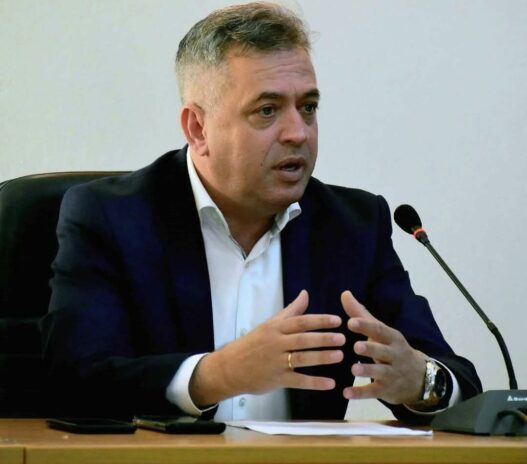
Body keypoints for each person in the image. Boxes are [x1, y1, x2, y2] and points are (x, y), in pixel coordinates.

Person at [41, 2, 481, 422]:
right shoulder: (112, 218)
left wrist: (420, 381)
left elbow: (461, 385)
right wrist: (217, 375)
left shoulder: (352, 225)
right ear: (198, 128)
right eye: (267, 110)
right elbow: (73, 382)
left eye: (308, 108)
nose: (298, 133)